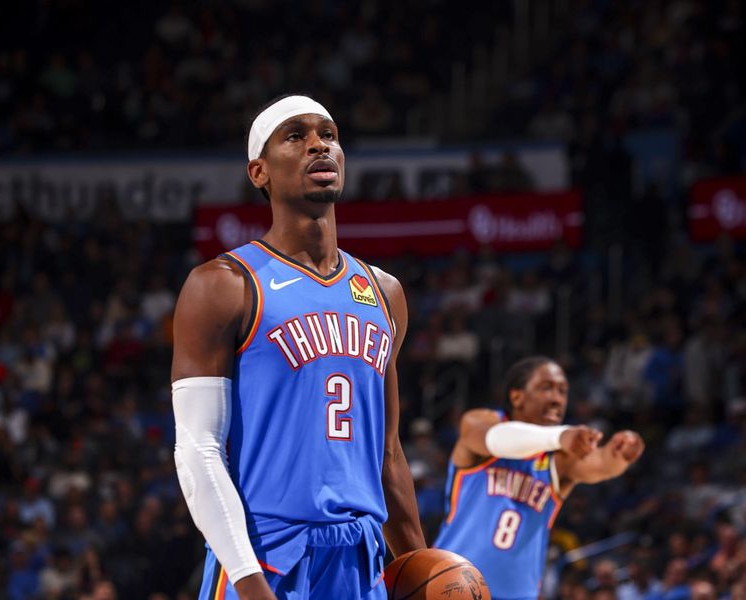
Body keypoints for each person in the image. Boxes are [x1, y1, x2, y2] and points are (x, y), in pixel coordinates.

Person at [171, 95, 426, 600]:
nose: (319, 145)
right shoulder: (223, 285)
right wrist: (249, 582)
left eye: (328, 134)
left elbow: (388, 453)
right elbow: (198, 450)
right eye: (296, 136)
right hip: (267, 557)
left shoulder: (384, 292)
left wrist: (422, 567)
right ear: (259, 171)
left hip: (361, 562)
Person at [433, 356, 645, 600]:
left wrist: (621, 453)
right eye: (547, 388)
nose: (557, 399)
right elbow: (496, 439)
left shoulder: (559, 457)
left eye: (563, 391)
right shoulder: (479, 422)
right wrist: (560, 436)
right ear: (516, 396)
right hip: (451, 587)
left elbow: (600, 465)